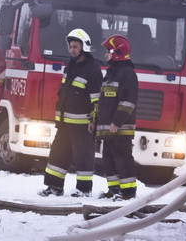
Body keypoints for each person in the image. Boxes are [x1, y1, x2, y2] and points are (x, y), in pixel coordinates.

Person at [39, 29, 103, 197]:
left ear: (84, 47)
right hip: (65, 123)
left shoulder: (93, 69)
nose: (72, 50)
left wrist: (94, 120)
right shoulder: (70, 66)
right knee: (58, 155)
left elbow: (97, 99)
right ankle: (54, 187)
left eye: (75, 46)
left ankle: (83, 190)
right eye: (71, 46)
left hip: (83, 125)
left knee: (84, 158)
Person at [93, 34, 139, 200]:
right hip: (108, 128)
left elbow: (128, 101)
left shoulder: (127, 74)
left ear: (117, 52)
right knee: (109, 158)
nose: (105, 55)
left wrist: (117, 121)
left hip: (120, 128)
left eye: (108, 51)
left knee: (123, 158)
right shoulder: (111, 73)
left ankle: (128, 192)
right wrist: (95, 121)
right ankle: (114, 190)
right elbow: (103, 102)